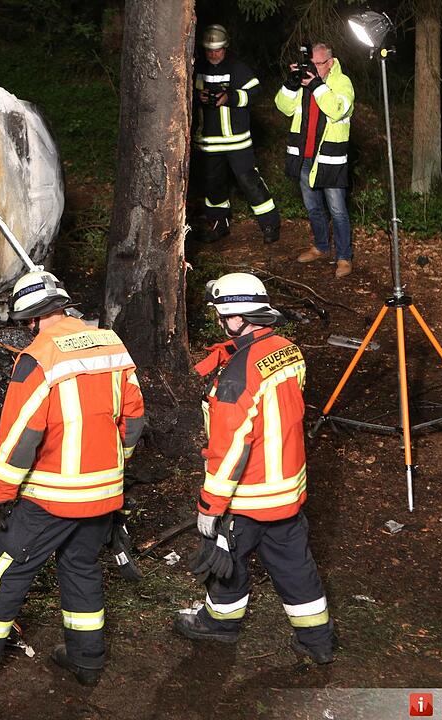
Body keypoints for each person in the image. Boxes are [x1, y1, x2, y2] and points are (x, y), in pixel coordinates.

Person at [0, 270, 146, 713]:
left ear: (29, 320)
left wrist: (0, 494)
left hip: (53, 497)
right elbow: (135, 420)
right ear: (62, 305)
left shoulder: (37, 357)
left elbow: (20, 438)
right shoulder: (111, 343)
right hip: (104, 493)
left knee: (1, 574)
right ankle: (87, 661)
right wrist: (116, 465)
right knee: (81, 567)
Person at [173, 272, 336, 665]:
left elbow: (231, 450)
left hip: (246, 496)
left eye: (221, 316)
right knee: (295, 566)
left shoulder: (235, 378)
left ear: (236, 318)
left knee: (222, 561)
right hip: (288, 489)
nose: (219, 323)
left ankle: (220, 624)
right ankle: (318, 642)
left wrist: (210, 509)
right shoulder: (288, 349)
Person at [191, 24, 281, 245]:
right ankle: (218, 224)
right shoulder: (197, 67)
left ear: (226, 47)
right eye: (209, 50)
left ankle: (270, 224)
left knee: (250, 182)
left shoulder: (237, 67)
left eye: (218, 49)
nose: (213, 54)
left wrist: (229, 98)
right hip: (209, 143)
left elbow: (255, 92)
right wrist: (197, 97)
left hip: (238, 141)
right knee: (213, 186)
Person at [275, 43, 356, 278]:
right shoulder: (303, 82)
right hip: (305, 156)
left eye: (317, 64)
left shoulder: (342, 83)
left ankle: (344, 257)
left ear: (330, 63)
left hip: (330, 158)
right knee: (313, 207)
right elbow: (283, 107)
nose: (312, 68)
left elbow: (337, 109)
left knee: (338, 210)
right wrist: (291, 83)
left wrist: (317, 86)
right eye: (309, 62)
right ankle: (321, 247)